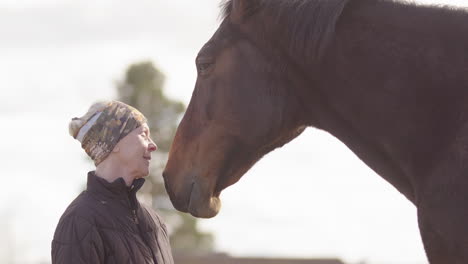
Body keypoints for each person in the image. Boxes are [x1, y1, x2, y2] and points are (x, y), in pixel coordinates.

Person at [52, 100, 174, 264]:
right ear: (114, 142)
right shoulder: (79, 220)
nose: (153, 145)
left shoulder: (154, 222)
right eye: (143, 134)